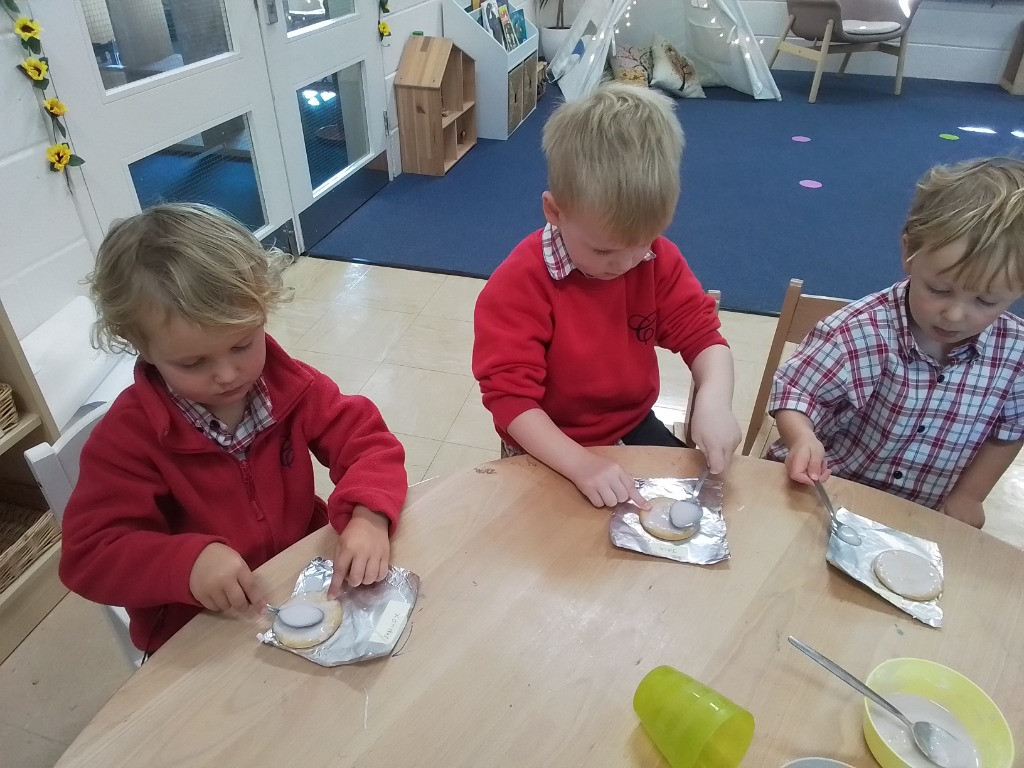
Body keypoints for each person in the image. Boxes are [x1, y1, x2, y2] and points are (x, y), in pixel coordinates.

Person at [58, 203, 408, 653]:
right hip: (198, 623)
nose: (227, 375)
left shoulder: (290, 387)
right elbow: (90, 554)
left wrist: (368, 515)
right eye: (193, 362)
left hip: (300, 579)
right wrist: (186, 564)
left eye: (242, 344)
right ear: (138, 343)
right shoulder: (127, 439)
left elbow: (368, 443)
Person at [472, 83, 741, 510]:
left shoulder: (653, 259)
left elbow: (705, 339)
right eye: (603, 250)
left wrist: (713, 402)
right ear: (555, 211)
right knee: (553, 548)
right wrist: (580, 464)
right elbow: (511, 402)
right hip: (547, 443)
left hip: (632, 424)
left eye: (645, 241)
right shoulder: (520, 284)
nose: (628, 263)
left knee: (699, 511)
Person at [768, 157, 1024, 528]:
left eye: (985, 301)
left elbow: (1010, 430)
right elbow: (796, 394)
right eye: (939, 290)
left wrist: (969, 496)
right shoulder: (860, 330)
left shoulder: (1016, 355)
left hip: (916, 515)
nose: (954, 315)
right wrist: (802, 438)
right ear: (909, 253)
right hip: (825, 494)